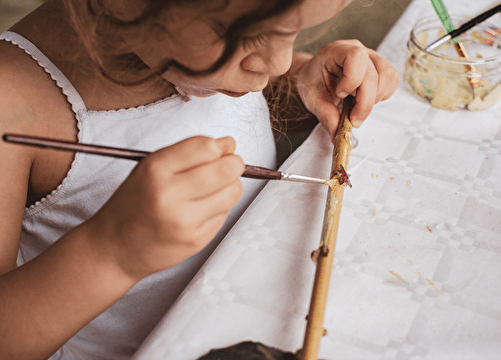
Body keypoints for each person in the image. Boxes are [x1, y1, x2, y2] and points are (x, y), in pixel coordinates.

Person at [0, 0, 399, 358]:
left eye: (292, 33)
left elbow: (242, 109)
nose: (277, 61)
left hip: (262, 307)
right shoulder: (13, 103)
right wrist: (113, 252)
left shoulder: (197, 44)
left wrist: (302, 83)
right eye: (253, 35)